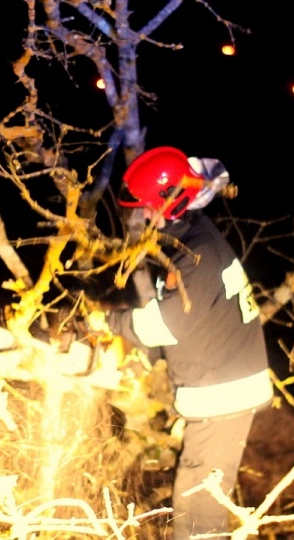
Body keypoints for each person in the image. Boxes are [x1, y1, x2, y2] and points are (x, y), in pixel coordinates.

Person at [101, 146, 274, 539]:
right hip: (220, 388)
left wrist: (110, 322)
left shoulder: (197, 254)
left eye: (143, 211)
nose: (140, 220)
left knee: (199, 507)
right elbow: (187, 319)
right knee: (192, 500)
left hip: (224, 396)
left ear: (169, 204)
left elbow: (162, 326)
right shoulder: (190, 240)